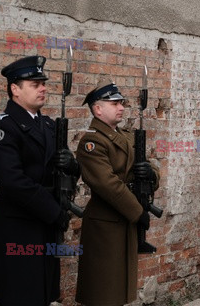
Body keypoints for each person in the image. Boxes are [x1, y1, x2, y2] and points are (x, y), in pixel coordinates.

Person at [0, 55, 79, 305]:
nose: (43, 88)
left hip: (44, 226)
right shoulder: (4, 127)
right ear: (15, 89)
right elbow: (12, 180)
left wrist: (72, 164)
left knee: (42, 295)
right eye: (35, 84)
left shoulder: (48, 126)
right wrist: (53, 211)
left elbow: (66, 173)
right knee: (20, 295)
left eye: (43, 83)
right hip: (18, 227)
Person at [75, 81, 159, 305]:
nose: (121, 107)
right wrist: (137, 211)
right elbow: (107, 184)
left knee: (120, 291)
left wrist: (150, 175)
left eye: (121, 102)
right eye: (114, 103)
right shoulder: (92, 142)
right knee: (103, 291)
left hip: (125, 220)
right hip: (106, 223)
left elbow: (150, 164)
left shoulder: (128, 136)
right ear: (97, 108)